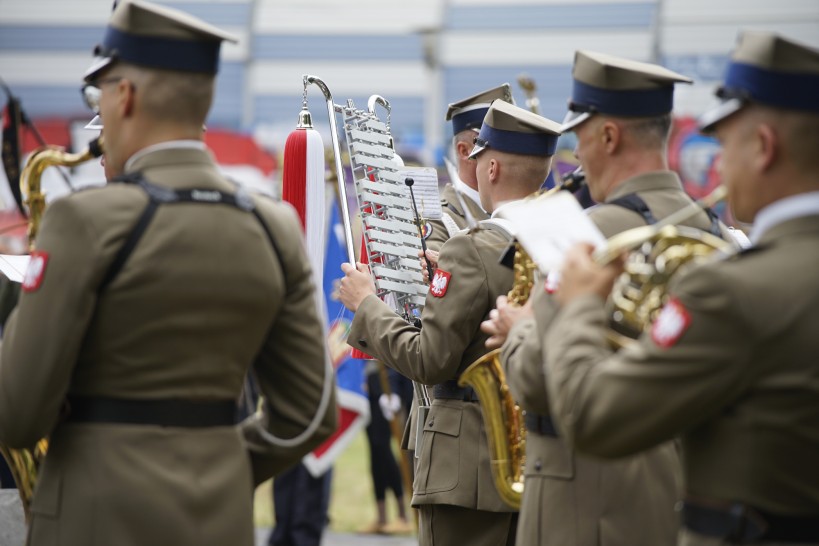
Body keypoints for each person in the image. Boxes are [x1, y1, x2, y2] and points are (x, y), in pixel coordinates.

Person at [0, 2, 337, 545]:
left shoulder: (80, 221)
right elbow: (310, 414)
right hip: (218, 523)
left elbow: (16, 414)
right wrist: (219, 464)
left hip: (93, 519)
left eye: (100, 95)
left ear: (124, 96)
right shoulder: (274, 225)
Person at [542, 32, 819, 545]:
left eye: (723, 141)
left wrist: (580, 305)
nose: (719, 163)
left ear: (762, 147)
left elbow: (592, 415)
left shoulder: (733, 289)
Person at [483, 50, 743, 546]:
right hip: (678, 496)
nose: (576, 155)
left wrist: (518, 333)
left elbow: (535, 381)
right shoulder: (714, 231)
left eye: (580, 136)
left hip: (581, 503)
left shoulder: (590, 235)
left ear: (608, 136)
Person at [339, 99, 561, 546]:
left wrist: (367, 305)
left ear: (492, 168)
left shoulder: (472, 249)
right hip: (538, 463)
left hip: (468, 474)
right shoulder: (559, 239)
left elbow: (429, 360)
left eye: (478, 159)